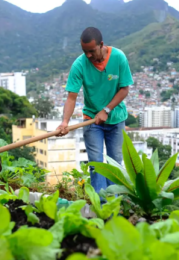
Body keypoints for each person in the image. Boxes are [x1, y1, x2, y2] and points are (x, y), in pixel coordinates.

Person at [56, 27, 134, 196]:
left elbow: (124, 89)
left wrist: (106, 110)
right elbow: (71, 97)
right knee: (96, 163)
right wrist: (64, 122)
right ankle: (100, 204)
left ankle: (115, 202)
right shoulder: (79, 64)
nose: (88, 56)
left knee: (114, 163)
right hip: (92, 120)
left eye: (91, 51)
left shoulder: (118, 58)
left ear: (101, 45)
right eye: (85, 52)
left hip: (116, 118)